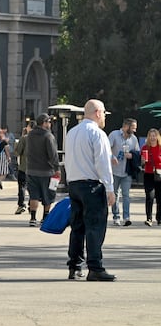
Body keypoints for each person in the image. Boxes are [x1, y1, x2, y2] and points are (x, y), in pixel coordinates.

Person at [64, 99, 116, 282]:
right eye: (103, 114)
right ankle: (95, 267)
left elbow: (71, 158)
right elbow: (101, 163)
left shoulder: (71, 133)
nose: (104, 118)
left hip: (74, 184)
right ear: (98, 113)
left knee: (77, 227)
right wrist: (110, 188)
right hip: (92, 185)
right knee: (95, 226)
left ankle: (74, 266)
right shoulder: (98, 133)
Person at [24, 113, 61, 227]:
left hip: (31, 170)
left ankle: (33, 218)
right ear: (44, 123)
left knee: (33, 195)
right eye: (49, 122)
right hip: (46, 171)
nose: (50, 124)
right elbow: (53, 154)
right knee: (48, 194)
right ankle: (45, 217)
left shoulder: (30, 135)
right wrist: (57, 168)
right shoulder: (48, 136)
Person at [107, 118, 139, 226]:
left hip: (126, 171)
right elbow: (106, 148)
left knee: (126, 195)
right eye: (133, 127)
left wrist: (132, 155)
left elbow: (137, 153)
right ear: (126, 126)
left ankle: (126, 217)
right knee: (114, 194)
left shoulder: (134, 139)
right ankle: (116, 216)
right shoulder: (114, 135)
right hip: (114, 171)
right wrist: (112, 156)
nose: (135, 130)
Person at [140, 128, 161, 226]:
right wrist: (143, 161)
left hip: (159, 174)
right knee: (150, 196)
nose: (152, 138)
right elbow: (142, 164)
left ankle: (159, 218)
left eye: (154, 135)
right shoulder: (145, 148)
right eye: (151, 136)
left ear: (157, 137)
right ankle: (149, 218)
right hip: (148, 174)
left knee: (160, 198)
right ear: (148, 137)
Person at [12, 121, 34, 215]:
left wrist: (18, 141)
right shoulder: (40, 138)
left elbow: (17, 152)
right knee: (33, 188)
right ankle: (31, 205)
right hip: (35, 168)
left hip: (24, 167)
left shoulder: (24, 138)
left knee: (22, 186)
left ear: (29, 127)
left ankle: (21, 205)